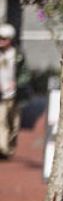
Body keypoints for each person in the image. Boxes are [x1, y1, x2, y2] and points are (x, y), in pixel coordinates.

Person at [0, 23, 21, 159]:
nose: (1, 41)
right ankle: (3, 149)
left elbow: (24, 74)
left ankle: (10, 145)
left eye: (4, 38)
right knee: (1, 121)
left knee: (14, 124)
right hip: (1, 96)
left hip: (14, 96)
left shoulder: (18, 55)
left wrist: (17, 83)